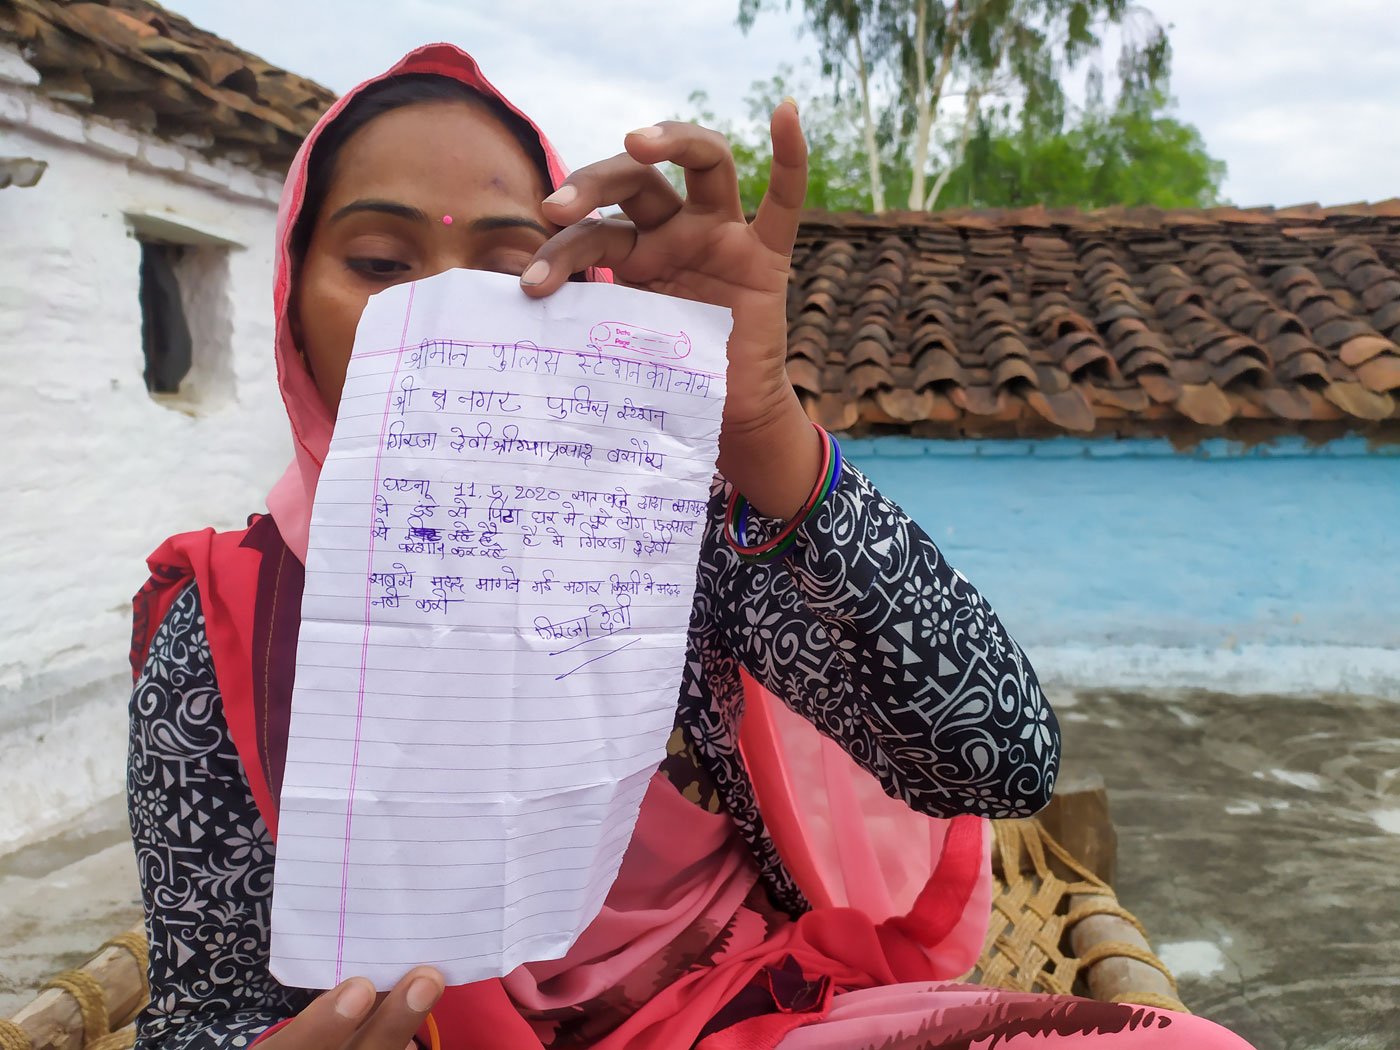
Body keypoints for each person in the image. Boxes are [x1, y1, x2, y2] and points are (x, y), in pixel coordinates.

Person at [126, 43, 1251, 1050]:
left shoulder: (678, 539)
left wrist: (763, 433)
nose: (443, 310)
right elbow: (203, 1015)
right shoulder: (227, 625)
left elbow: (997, 761)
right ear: (289, 303)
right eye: (378, 262)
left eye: (511, 263)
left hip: (756, 1019)